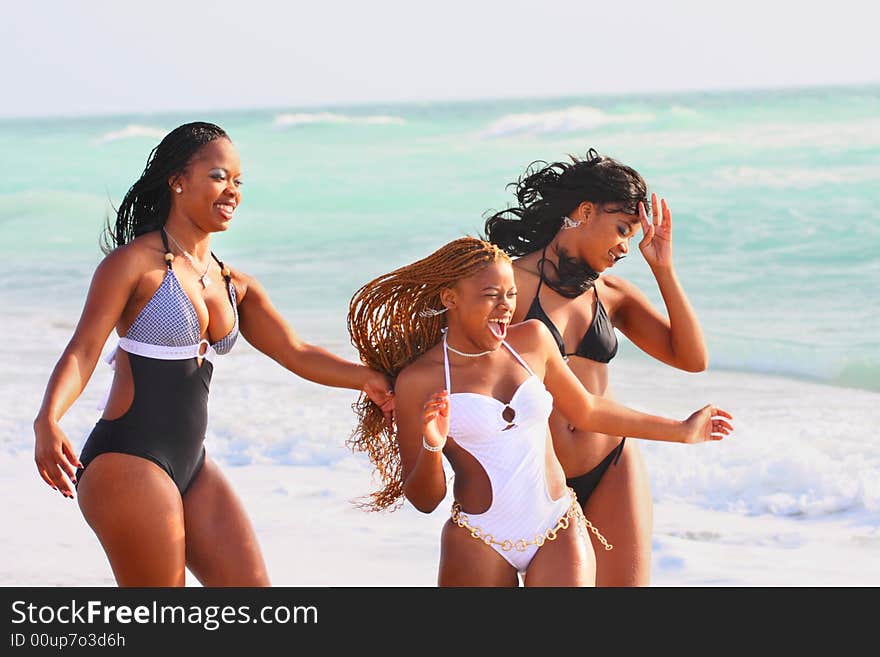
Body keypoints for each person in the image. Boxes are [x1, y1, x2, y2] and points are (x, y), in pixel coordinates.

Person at [32, 122, 395, 587]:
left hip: (193, 465)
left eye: (238, 181)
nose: (232, 191)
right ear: (177, 180)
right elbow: (83, 351)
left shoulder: (232, 283)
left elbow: (297, 351)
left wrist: (371, 378)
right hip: (127, 460)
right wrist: (48, 418)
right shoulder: (133, 264)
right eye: (219, 176)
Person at [347, 236, 731, 586]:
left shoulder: (532, 340)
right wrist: (433, 445)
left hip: (557, 523)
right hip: (478, 536)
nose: (505, 306)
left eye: (511, 294)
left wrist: (682, 429)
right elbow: (425, 500)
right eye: (491, 295)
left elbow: (589, 410)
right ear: (451, 299)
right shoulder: (420, 380)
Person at [483, 148, 707, 586]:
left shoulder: (611, 293)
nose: (626, 246)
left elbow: (692, 358)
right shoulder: (504, 287)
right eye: (622, 229)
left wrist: (663, 270)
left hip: (610, 464)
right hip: (528, 476)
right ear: (584, 212)